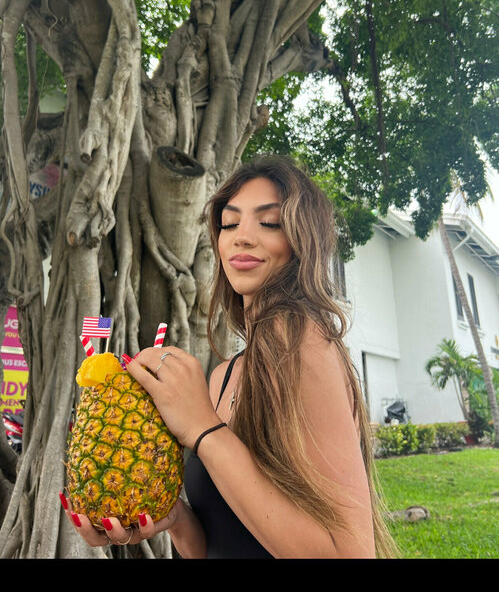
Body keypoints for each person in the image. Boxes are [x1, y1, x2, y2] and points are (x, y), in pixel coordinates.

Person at [62, 156, 396, 558]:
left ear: (303, 241)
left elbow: (352, 552)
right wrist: (171, 516)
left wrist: (203, 429)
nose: (242, 237)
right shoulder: (223, 376)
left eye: (269, 223)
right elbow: (218, 545)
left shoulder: (304, 344)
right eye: (230, 223)